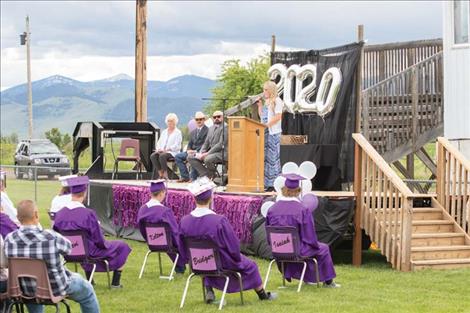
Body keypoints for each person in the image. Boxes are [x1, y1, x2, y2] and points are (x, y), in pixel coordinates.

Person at [180, 178, 276, 303]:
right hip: (222, 262)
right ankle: (262, 295)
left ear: (194, 199)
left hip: (197, 263)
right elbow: (233, 246)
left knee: (208, 260)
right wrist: (236, 258)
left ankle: (209, 290)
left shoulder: (184, 221)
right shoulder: (218, 221)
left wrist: (190, 259)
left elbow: (182, 245)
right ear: (210, 198)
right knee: (251, 266)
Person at [4, 200, 100, 313]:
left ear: (18, 217)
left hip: (24, 290)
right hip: (56, 288)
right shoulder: (51, 237)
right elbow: (69, 249)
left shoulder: (9, 239)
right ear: (36, 214)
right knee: (87, 290)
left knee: (32, 292)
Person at [53, 176, 132, 288]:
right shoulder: (87, 214)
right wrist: (104, 245)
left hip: (68, 252)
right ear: (84, 193)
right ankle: (115, 283)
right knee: (122, 246)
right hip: (88, 252)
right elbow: (98, 238)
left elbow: (56, 234)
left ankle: (91, 280)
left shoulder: (60, 213)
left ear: (71, 193)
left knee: (87, 245)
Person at [265, 174, 340, 288]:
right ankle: (328, 282)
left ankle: (306, 277)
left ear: (283, 190)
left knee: (302, 247)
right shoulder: (302, 210)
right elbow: (309, 236)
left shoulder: (272, 209)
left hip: (278, 250)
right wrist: (314, 245)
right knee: (322, 248)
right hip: (296, 250)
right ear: (298, 191)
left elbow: (269, 234)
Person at [137, 180, 186, 273]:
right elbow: (174, 231)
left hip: (152, 243)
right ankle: (181, 266)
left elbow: (142, 228)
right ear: (162, 193)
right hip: (167, 244)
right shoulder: (164, 211)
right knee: (180, 240)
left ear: (151, 193)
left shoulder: (142, 209)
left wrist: (149, 239)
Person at [257, 81, 283, 192]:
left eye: (266, 89)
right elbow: (263, 117)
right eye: (263, 89)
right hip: (266, 132)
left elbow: (278, 116)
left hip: (273, 132)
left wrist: (267, 125)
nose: (264, 92)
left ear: (271, 90)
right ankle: (266, 183)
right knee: (266, 158)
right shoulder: (267, 102)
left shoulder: (277, 100)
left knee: (273, 158)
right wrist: (260, 106)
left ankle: (274, 183)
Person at [188, 111, 228, 180]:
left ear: (222, 117)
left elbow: (220, 144)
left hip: (222, 153)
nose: (216, 118)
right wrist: (201, 153)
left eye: (218, 116)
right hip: (212, 153)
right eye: (214, 117)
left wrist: (207, 153)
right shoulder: (211, 128)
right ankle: (207, 174)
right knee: (190, 157)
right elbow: (206, 143)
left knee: (207, 159)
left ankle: (211, 176)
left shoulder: (225, 127)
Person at [175, 112, 209, 182]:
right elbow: (190, 144)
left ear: (204, 120)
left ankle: (193, 178)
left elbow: (206, 144)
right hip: (191, 151)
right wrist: (188, 150)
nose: (199, 121)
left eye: (200, 119)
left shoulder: (208, 130)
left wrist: (195, 152)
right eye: (197, 119)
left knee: (192, 156)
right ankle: (185, 177)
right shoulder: (193, 132)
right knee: (178, 156)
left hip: (200, 152)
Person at [150, 113, 183, 179]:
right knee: (153, 156)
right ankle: (160, 173)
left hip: (172, 152)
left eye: (171, 121)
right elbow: (159, 143)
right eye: (168, 121)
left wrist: (168, 149)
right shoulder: (164, 132)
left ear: (175, 122)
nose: (170, 123)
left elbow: (177, 145)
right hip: (162, 151)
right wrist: (159, 149)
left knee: (162, 156)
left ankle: (165, 174)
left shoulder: (178, 132)